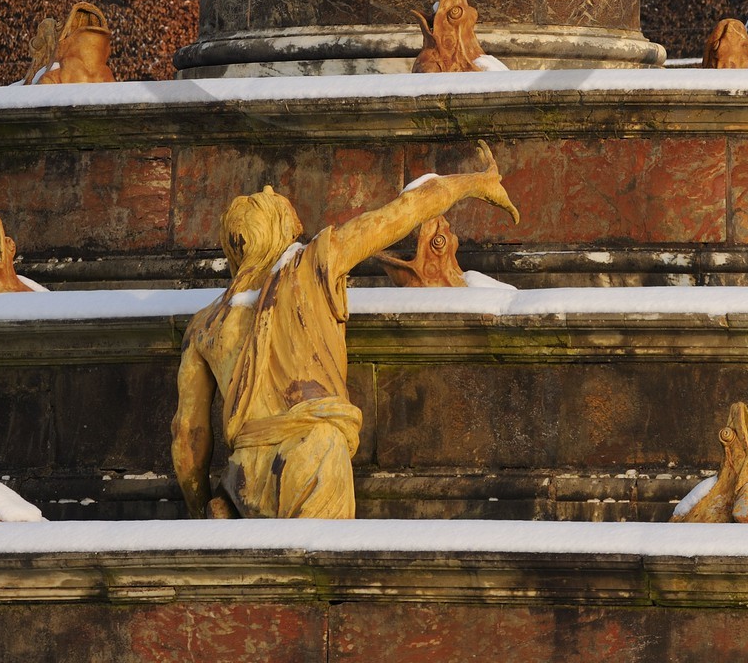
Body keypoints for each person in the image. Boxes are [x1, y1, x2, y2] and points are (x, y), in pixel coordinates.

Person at [170, 140, 519, 519]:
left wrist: (198, 506)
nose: (272, 190)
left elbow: (187, 438)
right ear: (281, 229)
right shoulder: (316, 261)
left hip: (243, 476)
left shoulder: (205, 325)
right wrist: (476, 182)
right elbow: (405, 211)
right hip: (315, 456)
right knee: (323, 573)